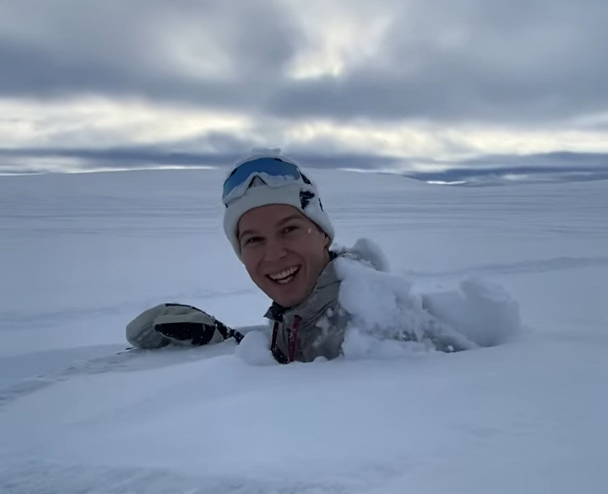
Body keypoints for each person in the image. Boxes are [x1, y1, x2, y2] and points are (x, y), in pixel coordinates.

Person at [126, 150, 516, 362]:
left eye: (289, 229)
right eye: (253, 240)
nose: (274, 254)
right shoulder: (309, 309)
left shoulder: (374, 321)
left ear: (323, 232)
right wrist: (224, 337)